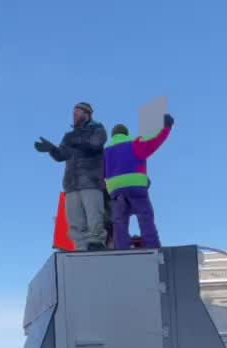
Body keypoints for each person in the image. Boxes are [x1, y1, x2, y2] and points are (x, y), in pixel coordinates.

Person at [35, 102, 109, 251]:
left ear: (87, 114)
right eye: (73, 112)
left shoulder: (98, 129)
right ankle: (80, 248)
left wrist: (77, 141)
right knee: (75, 221)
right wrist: (52, 149)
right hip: (71, 184)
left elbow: (95, 146)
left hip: (91, 182)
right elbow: (62, 155)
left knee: (94, 216)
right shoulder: (69, 136)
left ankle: (96, 243)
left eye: (77, 111)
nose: (74, 114)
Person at [103, 114, 174, 249]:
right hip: (136, 188)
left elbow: (101, 173)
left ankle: (121, 249)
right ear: (126, 133)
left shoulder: (106, 152)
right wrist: (166, 127)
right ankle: (153, 246)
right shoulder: (135, 144)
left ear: (113, 136)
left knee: (120, 223)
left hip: (116, 191)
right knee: (145, 218)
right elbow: (155, 141)